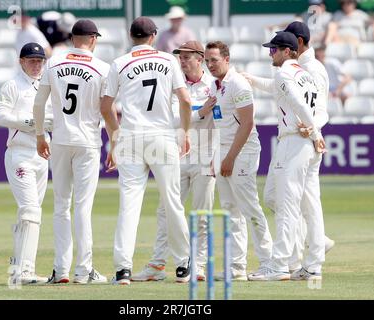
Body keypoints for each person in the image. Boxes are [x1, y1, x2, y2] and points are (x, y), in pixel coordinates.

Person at [100, 16, 192, 285]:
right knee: (172, 201)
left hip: (130, 137)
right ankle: (182, 265)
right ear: (153, 35)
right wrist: (184, 133)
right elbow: (185, 100)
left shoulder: (119, 63)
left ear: (132, 36)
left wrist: (115, 139)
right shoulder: (168, 60)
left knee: (129, 204)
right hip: (162, 135)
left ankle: (122, 270)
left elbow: (106, 108)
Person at [244, 21, 335, 277]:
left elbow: (304, 105)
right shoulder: (300, 72)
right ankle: (311, 262)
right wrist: (249, 79)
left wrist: (315, 131)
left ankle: (281, 263)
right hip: (303, 141)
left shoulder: (298, 71)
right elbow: (280, 90)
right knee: (292, 201)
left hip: (295, 140)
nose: (270, 53)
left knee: (288, 204)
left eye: (274, 49)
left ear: (290, 48)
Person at [131, 41, 216, 282]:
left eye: (187, 56)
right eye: (180, 56)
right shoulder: (171, 83)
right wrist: (200, 112)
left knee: (202, 214)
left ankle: (197, 265)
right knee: (165, 211)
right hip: (177, 154)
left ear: (200, 58)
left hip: (205, 157)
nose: (182, 60)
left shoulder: (212, 85)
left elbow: (218, 117)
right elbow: (170, 119)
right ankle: (157, 265)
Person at [33, 19, 109, 284]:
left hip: (61, 140)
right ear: (93, 39)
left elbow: (39, 103)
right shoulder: (102, 67)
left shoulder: (53, 62)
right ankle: (83, 271)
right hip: (88, 142)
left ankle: (61, 269)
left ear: (73, 37)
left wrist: (41, 135)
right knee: (82, 207)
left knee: (61, 207)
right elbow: (108, 109)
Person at [203, 41, 273, 281]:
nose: (210, 65)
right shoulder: (214, 86)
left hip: (243, 151)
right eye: (207, 60)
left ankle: (268, 262)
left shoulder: (238, 83)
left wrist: (230, 158)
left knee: (250, 207)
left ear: (226, 59)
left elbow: (247, 123)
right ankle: (236, 267)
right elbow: (217, 123)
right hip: (223, 151)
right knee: (231, 210)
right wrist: (216, 157)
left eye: (214, 60)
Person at [0, 43, 52, 285]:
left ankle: (19, 268)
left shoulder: (47, 85)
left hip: (42, 156)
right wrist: (31, 122)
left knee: (30, 214)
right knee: (30, 210)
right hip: (20, 154)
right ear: (21, 62)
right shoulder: (12, 85)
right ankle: (25, 272)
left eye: (40, 61)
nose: (36, 65)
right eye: (31, 61)